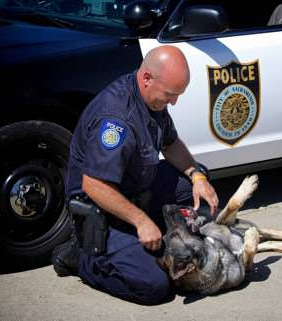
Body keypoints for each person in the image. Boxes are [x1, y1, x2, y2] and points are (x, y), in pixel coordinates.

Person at [51, 45, 219, 305]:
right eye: (171, 94)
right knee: (155, 286)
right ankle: (83, 259)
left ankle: (156, 238)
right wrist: (141, 221)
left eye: (177, 95)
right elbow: (94, 185)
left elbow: (171, 143)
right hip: (101, 211)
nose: (174, 102)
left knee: (193, 184)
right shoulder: (116, 119)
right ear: (147, 78)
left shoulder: (152, 98)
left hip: (135, 188)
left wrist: (197, 177)